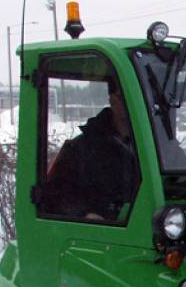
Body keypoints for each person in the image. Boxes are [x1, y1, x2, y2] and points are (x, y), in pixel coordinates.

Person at [42, 80, 138, 221]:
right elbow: (56, 195)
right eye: (129, 97)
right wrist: (84, 213)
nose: (136, 104)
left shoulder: (156, 148)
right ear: (113, 100)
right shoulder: (83, 148)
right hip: (103, 234)